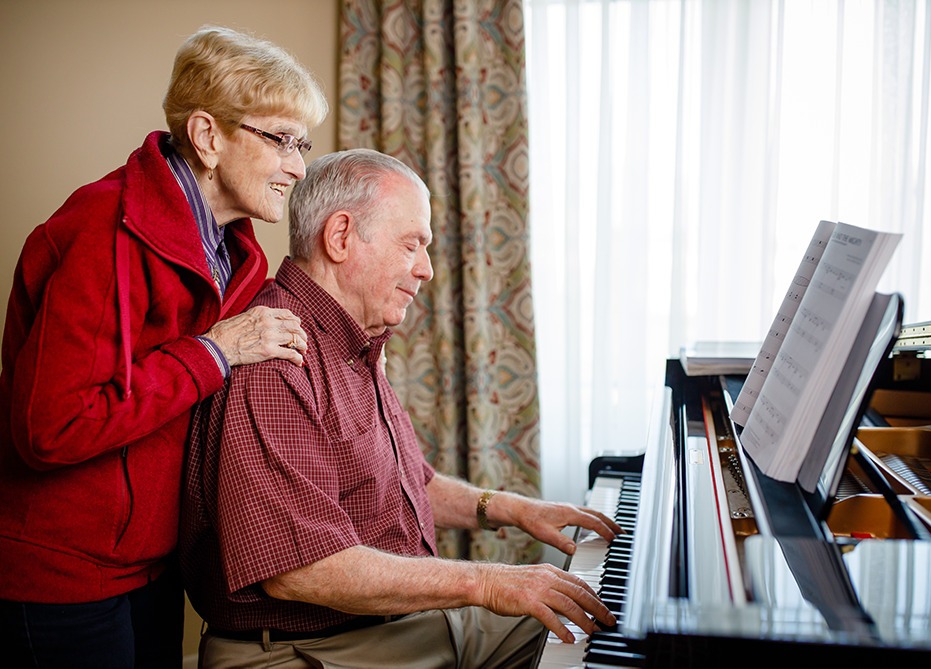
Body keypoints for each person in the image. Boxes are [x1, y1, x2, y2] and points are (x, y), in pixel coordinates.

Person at [180, 148, 623, 669]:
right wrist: (485, 581)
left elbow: (406, 484)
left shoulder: (355, 341)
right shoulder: (279, 357)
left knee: (593, 621)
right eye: (412, 244)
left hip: (396, 627)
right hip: (313, 649)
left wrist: (512, 509)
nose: (427, 269)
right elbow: (302, 568)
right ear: (341, 236)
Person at [0, 25, 328, 669]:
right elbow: (49, 427)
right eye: (280, 139)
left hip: (151, 569)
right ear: (208, 136)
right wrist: (213, 352)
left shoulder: (234, 252)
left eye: (303, 143)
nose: (298, 165)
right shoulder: (100, 232)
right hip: (60, 579)